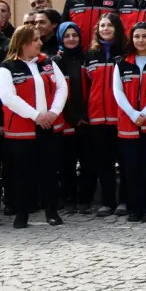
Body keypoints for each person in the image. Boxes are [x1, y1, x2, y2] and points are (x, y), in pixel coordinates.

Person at [0, 24, 67, 228]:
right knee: (22, 174)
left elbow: (62, 87)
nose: (40, 42)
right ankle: (22, 213)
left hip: (49, 127)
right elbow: (9, 98)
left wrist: (53, 112)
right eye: (36, 40)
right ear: (24, 43)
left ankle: (51, 211)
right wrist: (36, 116)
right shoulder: (7, 68)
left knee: (49, 171)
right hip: (21, 130)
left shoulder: (48, 62)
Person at [113, 22, 146, 222]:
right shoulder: (121, 62)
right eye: (137, 36)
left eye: (144, 36)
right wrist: (133, 113)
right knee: (131, 169)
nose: (140, 40)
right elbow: (117, 91)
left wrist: (144, 112)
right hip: (128, 124)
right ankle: (135, 209)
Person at [83, 12, 124, 216]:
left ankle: (125, 201)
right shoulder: (90, 54)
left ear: (117, 28)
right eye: (101, 26)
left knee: (124, 161)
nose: (105, 29)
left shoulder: (125, 52)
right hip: (97, 117)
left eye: (109, 25)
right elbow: (85, 86)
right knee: (104, 162)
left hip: (121, 116)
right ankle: (107, 202)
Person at [53, 22, 88, 214]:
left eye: (75, 35)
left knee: (87, 162)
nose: (71, 39)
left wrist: (85, 116)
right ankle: (68, 199)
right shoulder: (56, 61)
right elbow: (59, 93)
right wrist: (75, 118)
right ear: (60, 38)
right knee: (66, 163)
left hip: (88, 118)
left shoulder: (87, 58)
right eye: (67, 36)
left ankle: (85, 199)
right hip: (67, 120)